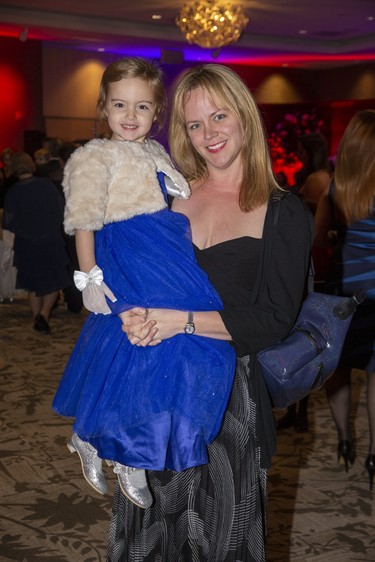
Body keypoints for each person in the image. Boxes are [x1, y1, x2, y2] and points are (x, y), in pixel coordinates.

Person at [108, 63, 313, 561]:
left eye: (219, 116)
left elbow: (274, 319)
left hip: (227, 400)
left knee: (223, 539)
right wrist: (127, 312)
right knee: (147, 533)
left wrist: (182, 321)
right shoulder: (166, 194)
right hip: (153, 388)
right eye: (195, 124)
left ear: (244, 115)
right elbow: (126, 270)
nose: (208, 134)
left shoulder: (284, 211)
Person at [52, 57, 237, 510]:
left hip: (164, 250)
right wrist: (88, 277)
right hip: (130, 252)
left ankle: (94, 437)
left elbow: (178, 196)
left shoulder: (157, 153)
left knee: (195, 337)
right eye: (120, 105)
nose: (130, 117)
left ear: (157, 113)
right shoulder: (93, 156)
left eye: (141, 107)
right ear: (104, 107)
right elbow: (83, 221)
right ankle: (124, 453)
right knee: (141, 343)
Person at [314, 110, 375, 489]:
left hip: (345, 296)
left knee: (338, 372)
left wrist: (339, 238)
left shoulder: (334, 190)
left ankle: (344, 441)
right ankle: (373, 456)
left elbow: (317, 242)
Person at [277, 131, 332, 433]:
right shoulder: (322, 176)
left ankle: (299, 409)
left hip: (308, 258)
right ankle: (299, 409)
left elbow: (312, 225)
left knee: (302, 334)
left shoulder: (315, 180)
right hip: (311, 257)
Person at [1, 152, 71, 331]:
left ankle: (36, 317)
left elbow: (9, 221)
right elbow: (60, 209)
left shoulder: (13, 192)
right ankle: (44, 314)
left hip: (26, 242)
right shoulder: (46, 185)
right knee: (54, 280)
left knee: (32, 284)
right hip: (50, 239)